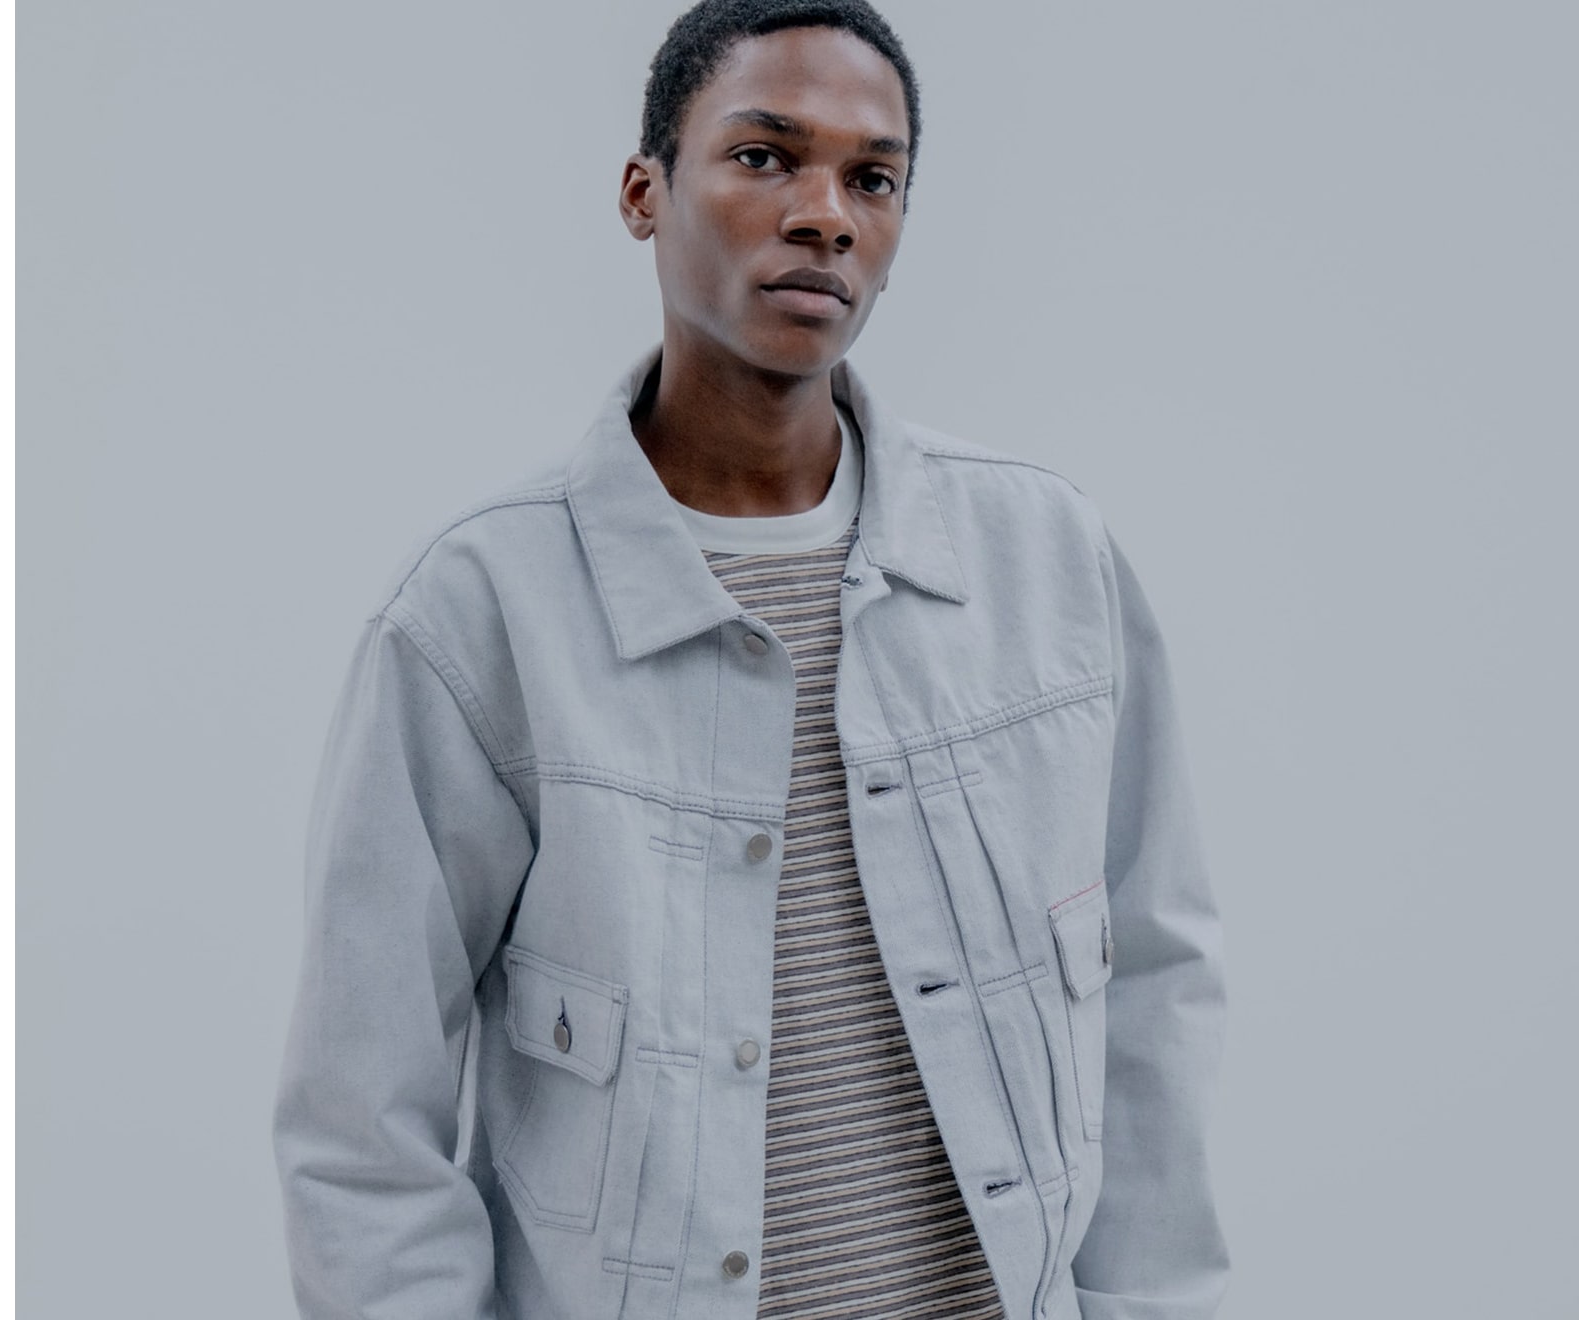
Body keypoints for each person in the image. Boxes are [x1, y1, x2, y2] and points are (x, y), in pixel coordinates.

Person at [269, 2, 1229, 1317]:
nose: (825, 215)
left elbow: (1155, 1004)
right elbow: (361, 1124)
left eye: (872, 178)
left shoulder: (1048, 562)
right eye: (765, 156)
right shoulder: (482, 612)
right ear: (643, 192)